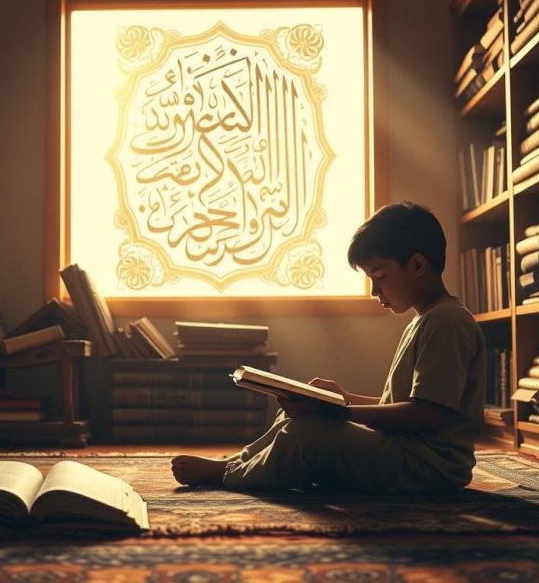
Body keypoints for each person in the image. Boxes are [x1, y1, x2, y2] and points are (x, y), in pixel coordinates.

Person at [171, 202, 486, 493]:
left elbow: (425, 416)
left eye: (379, 276)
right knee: (293, 417)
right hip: (407, 448)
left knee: (307, 433)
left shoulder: (447, 322)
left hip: (429, 467)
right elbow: (404, 403)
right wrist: (342, 398)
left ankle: (227, 476)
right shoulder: (427, 319)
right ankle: (235, 463)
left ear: (417, 265)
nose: (375, 290)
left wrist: (338, 411)